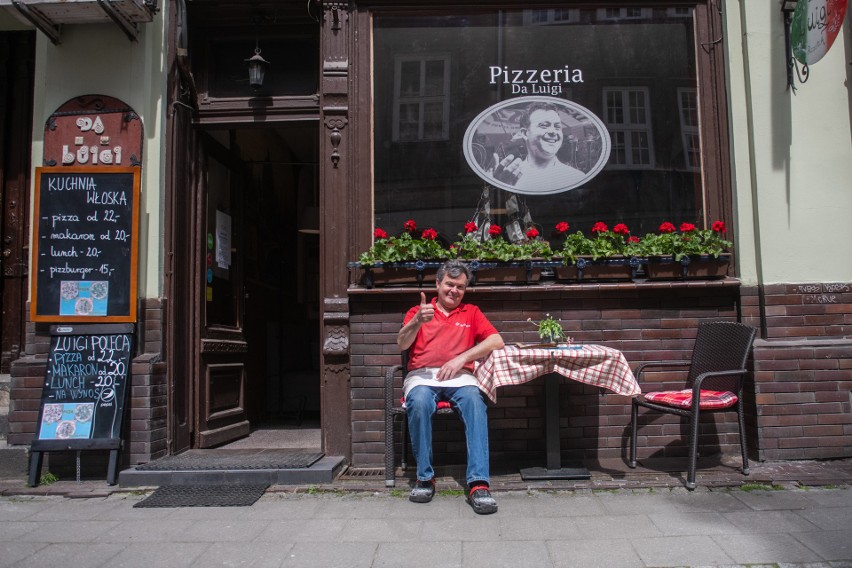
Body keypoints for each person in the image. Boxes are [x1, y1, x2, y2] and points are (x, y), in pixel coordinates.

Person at [397, 260, 505, 514]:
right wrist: (416, 323)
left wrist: (462, 358)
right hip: (423, 377)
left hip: (460, 377)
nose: (454, 290)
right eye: (449, 284)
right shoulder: (418, 311)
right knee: (420, 402)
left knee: (475, 403)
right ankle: (425, 478)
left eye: (460, 287)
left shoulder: (471, 312)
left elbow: (497, 340)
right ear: (438, 284)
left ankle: (479, 484)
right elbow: (402, 343)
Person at [490, 101, 585, 192]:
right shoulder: (509, 177)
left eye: (557, 127)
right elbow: (506, 208)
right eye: (544, 126)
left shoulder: (576, 177)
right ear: (525, 133)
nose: (553, 131)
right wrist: (500, 189)